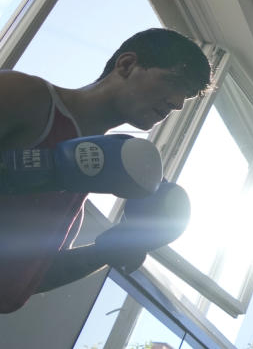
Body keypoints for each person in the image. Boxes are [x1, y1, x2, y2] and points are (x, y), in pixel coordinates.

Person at [0, 28, 211, 313]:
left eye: (183, 99)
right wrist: (36, 172)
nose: (175, 103)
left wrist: (106, 251)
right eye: (174, 81)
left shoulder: (85, 179)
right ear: (126, 65)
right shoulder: (26, 96)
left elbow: (25, 281)